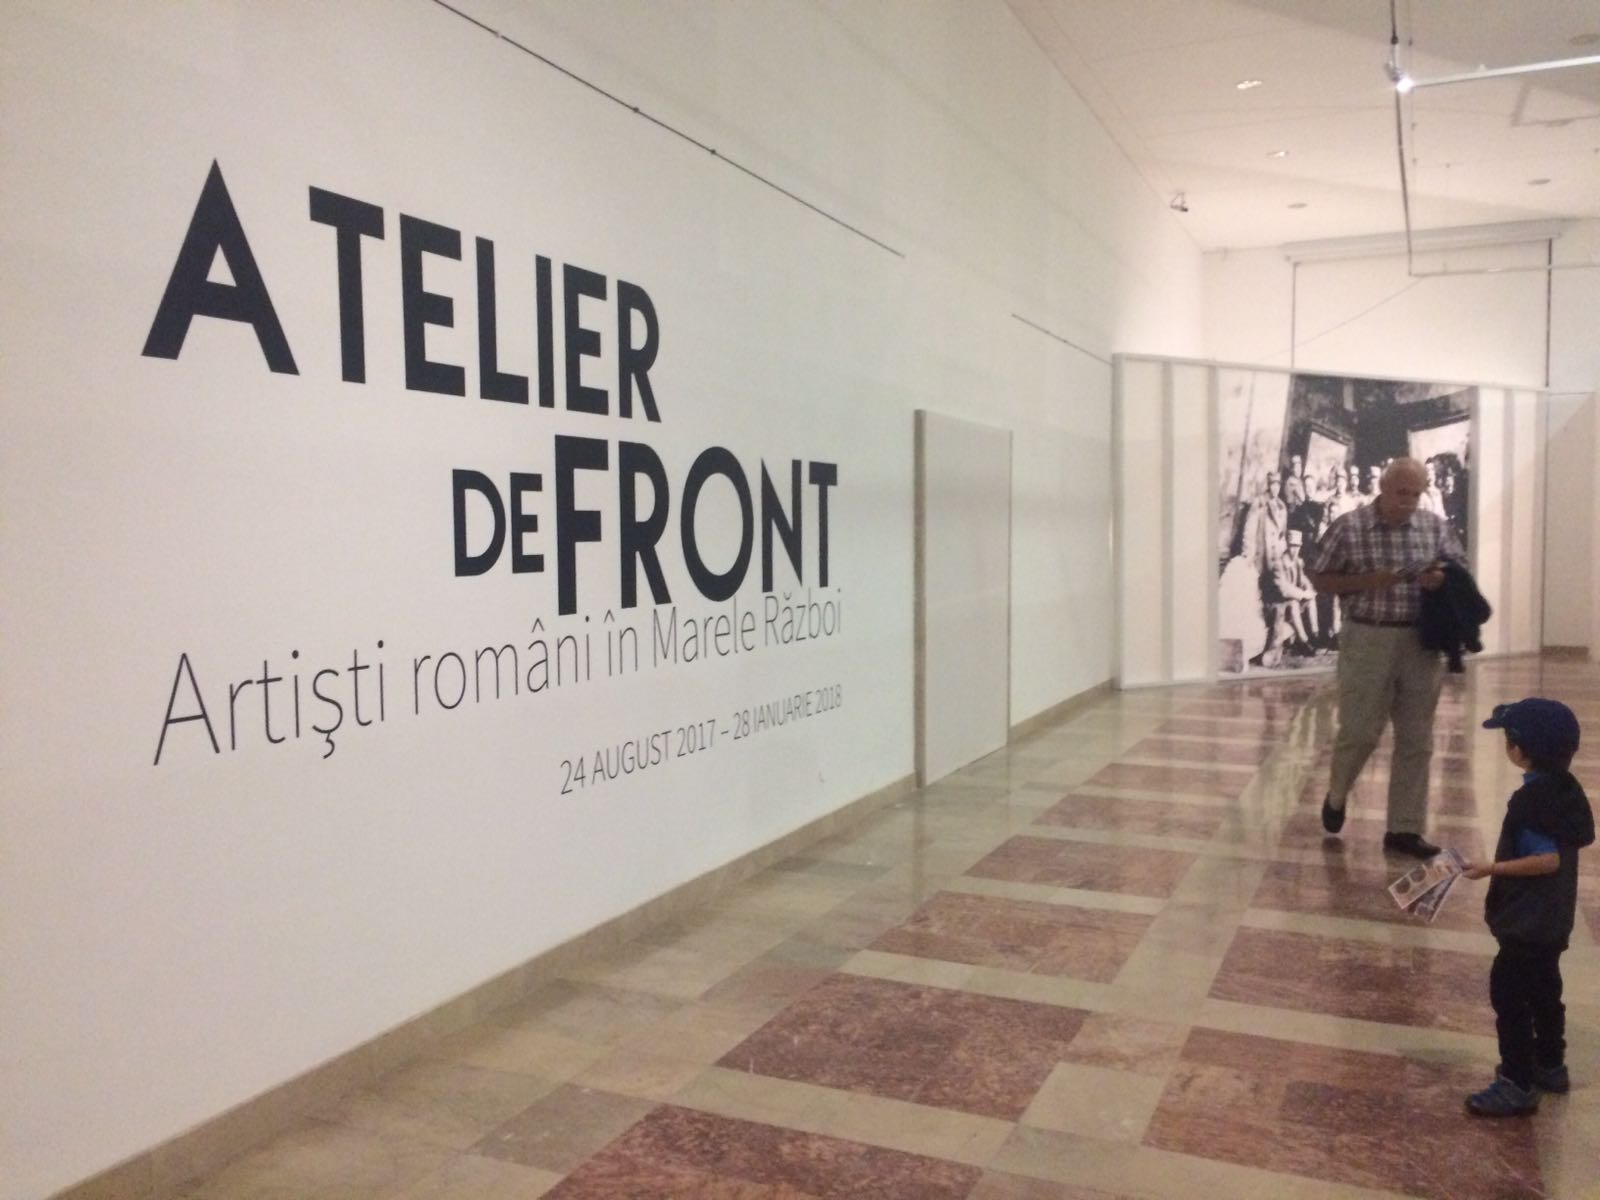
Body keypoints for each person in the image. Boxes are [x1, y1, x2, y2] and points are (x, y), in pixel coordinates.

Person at [1307, 458, 1465, 856]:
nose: (1408, 501)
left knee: (1417, 738)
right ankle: (1337, 794)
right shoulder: (1349, 527)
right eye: (1401, 493)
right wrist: (1368, 581)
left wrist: (1441, 578)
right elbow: (1319, 578)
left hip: (1421, 642)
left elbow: (1458, 569)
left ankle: (1404, 829)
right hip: (1367, 637)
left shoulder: (1433, 526)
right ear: (1382, 487)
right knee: (1360, 731)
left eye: (1416, 494)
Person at [1460, 699, 1594, 1117]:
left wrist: (1491, 868)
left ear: (1519, 749)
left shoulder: (1531, 801)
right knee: (1545, 992)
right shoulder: (1567, 789)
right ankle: (1551, 1066)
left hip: (1526, 920)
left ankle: (1516, 1082)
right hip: (1553, 920)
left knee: (1510, 996)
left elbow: (1546, 860)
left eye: (1508, 738)